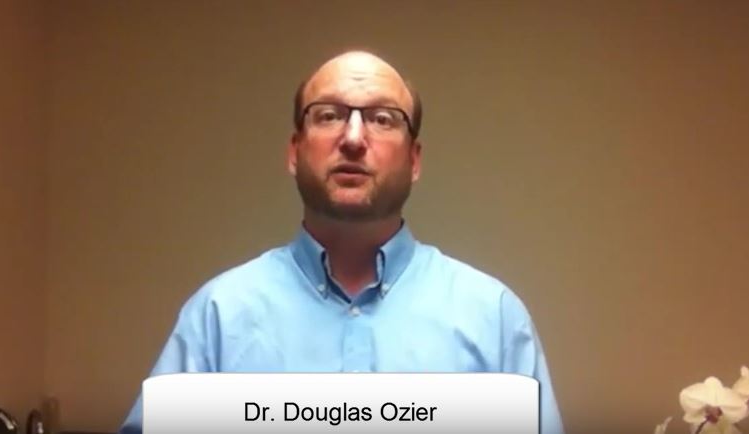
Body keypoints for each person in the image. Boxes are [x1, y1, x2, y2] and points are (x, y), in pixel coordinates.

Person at [118, 50, 565, 434]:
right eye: (329, 115)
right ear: (294, 151)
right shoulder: (217, 316)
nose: (352, 139)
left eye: (382, 119)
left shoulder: (495, 319)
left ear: (414, 161)